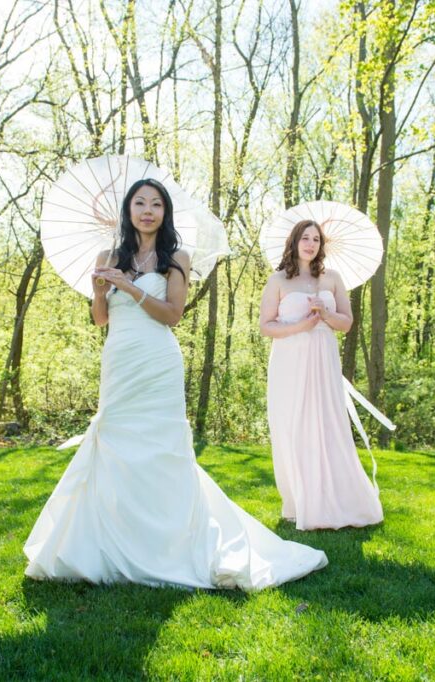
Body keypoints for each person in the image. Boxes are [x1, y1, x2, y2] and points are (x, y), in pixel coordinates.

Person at [24, 179, 328, 590]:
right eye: (139, 203)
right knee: (115, 440)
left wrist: (130, 287)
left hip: (158, 361)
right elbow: (100, 319)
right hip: (120, 359)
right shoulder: (107, 255)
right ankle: (112, 542)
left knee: (161, 448)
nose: (147, 210)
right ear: (128, 210)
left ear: (165, 213)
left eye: (155, 204)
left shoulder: (175, 257)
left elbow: (172, 315)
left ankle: (169, 545)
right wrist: (99, 293)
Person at [259, 219, 383, 530]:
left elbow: (347, 323)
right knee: (293, 424)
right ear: (294, 242)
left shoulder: (333, 278)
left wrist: (325, 314)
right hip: (290, 359)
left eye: (316, 239)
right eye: (305, 237)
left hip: (323, 357)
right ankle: (299, 500)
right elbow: (266, 326)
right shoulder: (277, 281)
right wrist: (301, 325)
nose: (311, 244)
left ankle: (335, 498)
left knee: (327, 423)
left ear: (321, 246)